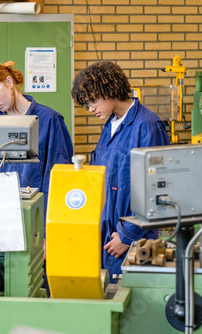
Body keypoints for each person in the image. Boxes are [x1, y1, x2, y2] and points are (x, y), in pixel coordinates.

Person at [71, 61, 170, 278]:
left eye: (93, 101)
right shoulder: (111, 125)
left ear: (111, 90)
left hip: (134, 239)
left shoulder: (147, 125)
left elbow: (155, 189)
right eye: (86, 105)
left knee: (134, 300)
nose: (91, 109)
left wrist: (127, 237)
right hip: (109, 235)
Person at [0, 61, 73, 218]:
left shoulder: (49, 120)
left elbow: (60, 180)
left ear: (9, 82)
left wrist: (46, 231)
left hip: (36, 217)